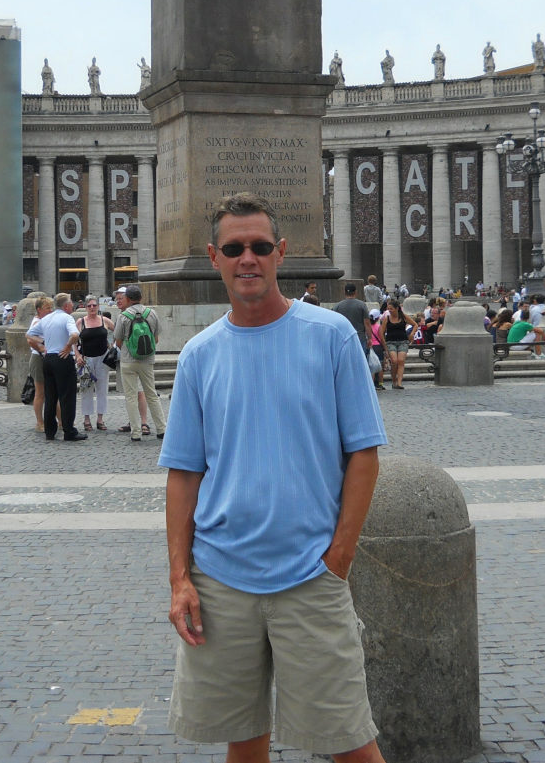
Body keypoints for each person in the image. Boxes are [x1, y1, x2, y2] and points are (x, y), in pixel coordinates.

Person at [158, 192, 388, 762]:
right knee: (245, 742)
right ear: (214, 257)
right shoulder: (198, 355)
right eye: (234, 249)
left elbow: (365, 453)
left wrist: (340, 555)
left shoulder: (331, 336)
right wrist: (180, 579)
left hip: (310, 576)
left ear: (281, 252)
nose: (248, 259)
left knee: (351, 743)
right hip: (221, 579)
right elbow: (183, 474)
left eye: (260, 247)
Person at [114, 284, 166, 442]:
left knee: (130, 397)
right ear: (141, 298)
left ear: (128, 299)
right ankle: (162, 429)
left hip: (128, 361)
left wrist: (129, 349)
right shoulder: (152, 313)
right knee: (151, 394)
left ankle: (135, 432)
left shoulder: (123, 316)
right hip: (147, 360)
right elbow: (156, 339)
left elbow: (118, 341)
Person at [35, 292, 85, 442]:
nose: (72, 305)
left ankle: (50, 432)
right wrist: (68, 346)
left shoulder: (46, 318)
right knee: (67, 397)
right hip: (63, 359)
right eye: (71, 303)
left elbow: (29, 335)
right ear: (66, 305)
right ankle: (69, 431)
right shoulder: (67, 318)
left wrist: (44, 348)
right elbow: (75, 335)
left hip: (48, 359)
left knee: (51, 397)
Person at [76, 295, 115, 432]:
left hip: (102, 358)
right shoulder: (80, 322)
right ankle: (86, 419)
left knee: (102, 389)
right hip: (86, 359)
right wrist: (77, 355)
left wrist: (113, 347)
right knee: (86, 389)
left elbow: (117, 332)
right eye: (89, 306)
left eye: (94, 305)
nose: (92, 308)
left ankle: (100, 418)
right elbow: (74, 340)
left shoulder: (105, 320)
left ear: (98, 307)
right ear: (85, 307)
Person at [25, 295, 55, 433]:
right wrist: (42, 349)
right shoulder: (37, 322)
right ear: (39, 310)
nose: (50, 310)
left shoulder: (47, 319)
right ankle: (40, 422)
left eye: (51, 307)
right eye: (47, 308)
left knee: (54, 392)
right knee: (40, 392)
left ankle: (60, 422)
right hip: (38, 358)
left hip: (48, 357)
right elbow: (30, 339)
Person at [380, 298, 418, 389]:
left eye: (391, 309)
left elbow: (415, 324)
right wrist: (384, 344)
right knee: (394, 361)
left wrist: (412, 334)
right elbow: (381, 332)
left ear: (397, 308)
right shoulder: (387, 318)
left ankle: (399, 382)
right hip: (391, 341)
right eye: (388, 309)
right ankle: (394, 380)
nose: (389, 310)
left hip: (403, 341)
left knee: (401, 361)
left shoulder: (403, 316)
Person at [334, 283, 371, 354]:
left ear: (344, 292)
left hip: (343, 339)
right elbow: (367, 324)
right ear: (355, 292)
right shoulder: (362, 305)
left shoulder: (337, 306)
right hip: (359, 338)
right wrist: (369, 338)